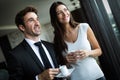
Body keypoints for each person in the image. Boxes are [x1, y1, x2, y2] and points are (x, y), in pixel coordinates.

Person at [49, 1, 106, 80]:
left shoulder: (84, 27)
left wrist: (88, 53)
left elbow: (99, 51)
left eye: (65, 10)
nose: (64, 14)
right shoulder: (57, 40)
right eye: (59, 13)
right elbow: (62, 66)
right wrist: (66, 60)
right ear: (55, 17)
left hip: (97, 76)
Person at [6, 6, 60, 80]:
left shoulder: (51, 46)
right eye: (31, 20)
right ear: (22, 27)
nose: (37, 23)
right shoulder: (15, 55)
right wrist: (39, 78)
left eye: (37, 19)